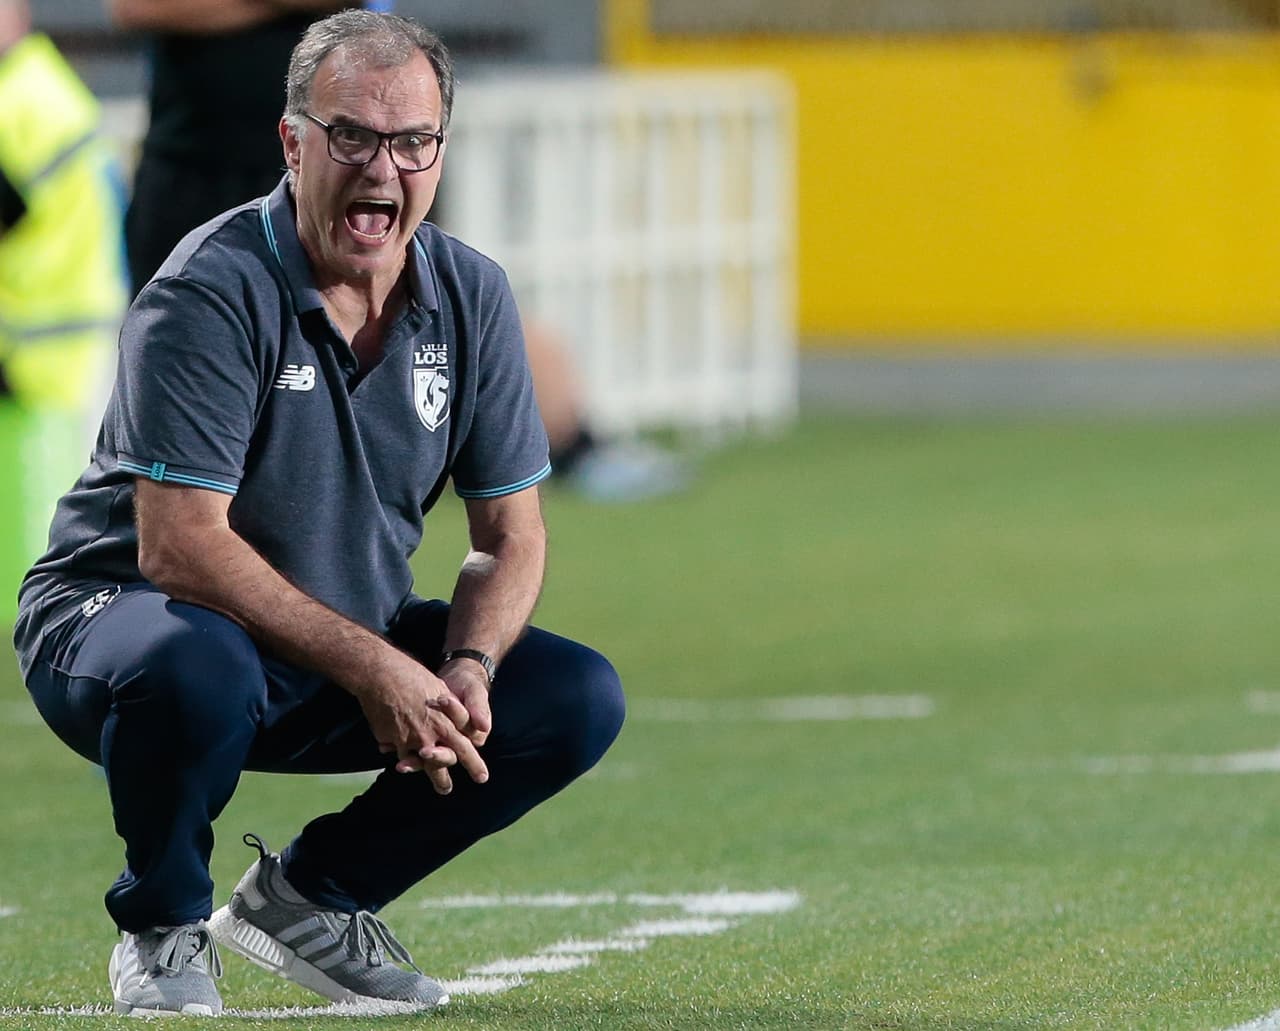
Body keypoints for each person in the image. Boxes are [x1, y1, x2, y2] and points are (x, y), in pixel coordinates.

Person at [12, 9, 625, 1018]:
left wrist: (462, 668)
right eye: (351, 136)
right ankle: (164, 927)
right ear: (293, 142)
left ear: (438, 151)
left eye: (410, 141)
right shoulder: (209, 289)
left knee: (569, 695)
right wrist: (378, 666)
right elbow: (178, 547)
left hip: (324, 638)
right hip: (126, 615)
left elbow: (510, 535)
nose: (381, 169)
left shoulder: (471, 293)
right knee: (193, 661)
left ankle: (312, 895)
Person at [110, 0, 687, 503]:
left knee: (425, 302)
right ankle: (194, 475)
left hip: (353, 147)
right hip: (191, 161)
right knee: (186, 328)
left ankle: (571, 440)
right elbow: (140, 7)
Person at [0, 0, 128, 621]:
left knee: (46, 517)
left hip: (40, 339)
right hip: (59, 329)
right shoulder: (39, 87)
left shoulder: (21, 99)